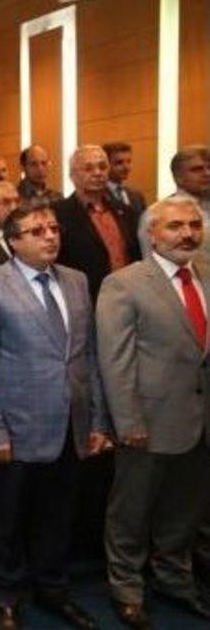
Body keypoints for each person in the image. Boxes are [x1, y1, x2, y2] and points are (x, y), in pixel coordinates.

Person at [0, 202, 110, 630]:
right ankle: (5, 597)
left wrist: (97, 420)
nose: (50, 236)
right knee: (9, 518)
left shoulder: (76, 280)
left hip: (71, 421)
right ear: (13, 241)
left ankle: (53, 590)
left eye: (53, 229)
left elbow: (88, 355)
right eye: (37, 231)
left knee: (58, 515)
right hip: (17, 425)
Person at [97, 195, 210, 628]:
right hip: (146, 422)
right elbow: (115, 360)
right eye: (175, 226)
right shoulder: (124, 284)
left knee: (185, 510)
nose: (187, 234)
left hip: (200, 422)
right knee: (131, 512)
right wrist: (127, 421)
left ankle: (174, 580)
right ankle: (126, 589)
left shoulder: (205, 273)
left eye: (194, 225)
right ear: (152, 234)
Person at [55, 145, 140, 301]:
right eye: (88, 168)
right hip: (85, 298)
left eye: (102, 167)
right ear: (72, 175)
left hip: (128, 296)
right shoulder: (59, 214)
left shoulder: (126, 212)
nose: (97, 173)